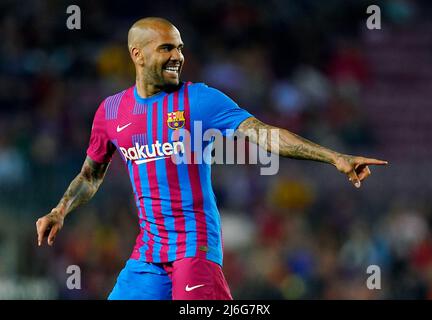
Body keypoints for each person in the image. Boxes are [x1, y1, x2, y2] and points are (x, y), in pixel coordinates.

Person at [35, 17, 388, 300]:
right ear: (137, 54)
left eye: (180, 48)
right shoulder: (110, 112)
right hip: (147, 255)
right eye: (166, 48)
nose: (178, 56)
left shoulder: (200, 100)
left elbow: (263, 133)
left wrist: (334, 157)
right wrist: (60, 210)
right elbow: (91, 175)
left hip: (195, 247)